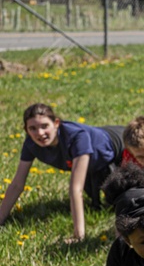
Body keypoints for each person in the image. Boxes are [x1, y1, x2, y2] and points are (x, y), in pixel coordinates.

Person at [0, 103, 124, 241]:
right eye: (33, 128)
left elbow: (75, 189)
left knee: (124, 201)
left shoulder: (77, 137)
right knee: (99, 205)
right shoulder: (31, 143)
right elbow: (17, 184)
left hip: (120, 148)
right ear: (26, 130)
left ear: (56, 123)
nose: (40, 133)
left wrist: (78, 237)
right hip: (93, 164)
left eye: (44, 126)